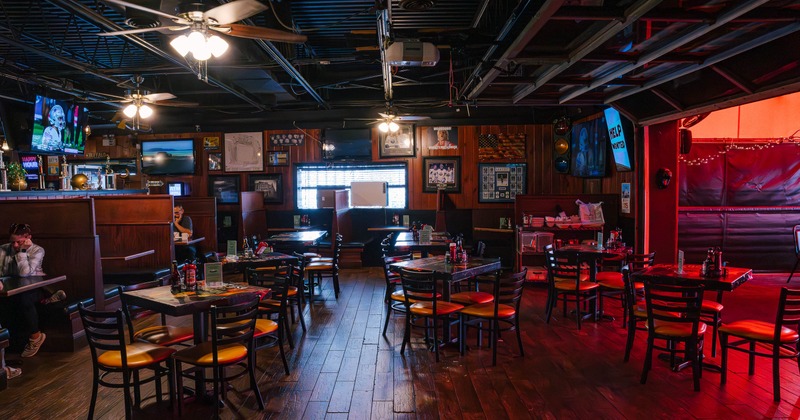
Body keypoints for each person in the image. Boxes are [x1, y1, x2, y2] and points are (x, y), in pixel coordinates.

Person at [0, 223, 60, 360]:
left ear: (28, 238)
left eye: (19, 242)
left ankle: (35, 337)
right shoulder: (3, 249)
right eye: (12, 242)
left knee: (24, 298)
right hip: (10, 288)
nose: (15, 245)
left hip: (33, 288)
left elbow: (24, 273)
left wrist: (22, 251)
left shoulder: (37, 250)